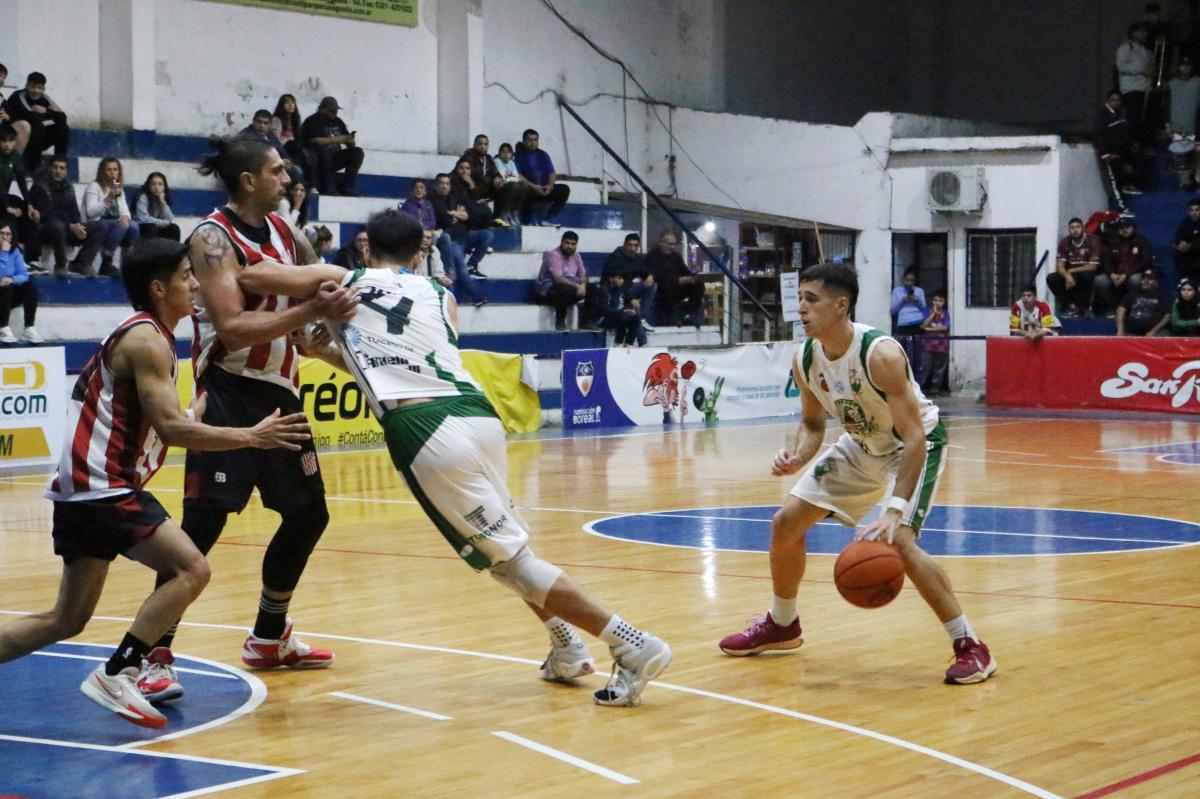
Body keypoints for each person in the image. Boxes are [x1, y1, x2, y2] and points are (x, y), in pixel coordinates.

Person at [297, 209, 671, 706]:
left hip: (428, 430)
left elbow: (262, 276)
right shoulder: (439, 295)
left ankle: (632, 643)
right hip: (476, 414)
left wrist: (306, 301)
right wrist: (326, 354)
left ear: (366, 249)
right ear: (418, 254)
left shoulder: (351, 286)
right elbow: (404, 369)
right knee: (509, 555)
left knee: (511, 561)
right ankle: (566, 647)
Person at [0, 238, 310, 729]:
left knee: (66, 619)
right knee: (192, 569)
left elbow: (155, 419)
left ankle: (121, 669)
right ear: (159, 287)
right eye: (187, 276)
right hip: (104, 486)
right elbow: (172, 430)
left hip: (85, 489)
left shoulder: (148, 336)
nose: (195, 285)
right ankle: (119, 671)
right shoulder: (146, 340)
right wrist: (252, 436)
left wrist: (190, 414)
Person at [138, 137, 358, 704]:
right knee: (204, 523)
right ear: (248, 181)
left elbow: (313, 302)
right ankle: (152, 653)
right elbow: (233, 329)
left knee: (308, 514)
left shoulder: (287, 232)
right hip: (229, 389)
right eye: (276, 170)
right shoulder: (211, 237)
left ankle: (268, 635)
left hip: (281, 391)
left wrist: (333, 333)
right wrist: (313, 306)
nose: (287, 178)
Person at [717, 263, 996, 685]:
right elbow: (813, 424)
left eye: (812, 299)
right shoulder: (805, 358)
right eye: (801, 299)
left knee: (898, 540)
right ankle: (783, 624)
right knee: (786, 523)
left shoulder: (880, 355)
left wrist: (894, 510)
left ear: (841, 305)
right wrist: (797, 456)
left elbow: (915, 437)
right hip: (862, 444)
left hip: (912, 445)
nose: (801, 308)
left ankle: (970, 645)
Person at [29, 155, 105, 277]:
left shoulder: (69, 188)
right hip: (47, 229)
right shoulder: (39, 187)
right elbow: (46, 215)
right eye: (55, 167)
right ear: (49, 168)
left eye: (62, 168)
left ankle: (81, 263)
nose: (58, 171)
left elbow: (74, 213)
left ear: (66, 171)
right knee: (57, 226)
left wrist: (77, 225)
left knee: (100, 227)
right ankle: (60, 265)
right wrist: (70, 225)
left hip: (67, 228)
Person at [430, 172, 488, 301]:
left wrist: (454, 213)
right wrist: (457, 214)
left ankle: (472, 264)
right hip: (450, 239)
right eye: (441, 183)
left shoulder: (453, 197)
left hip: (463, 235)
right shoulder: (432, 199)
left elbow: (467, 216)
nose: (445, 186)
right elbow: (444, 219)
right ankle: (475, 298)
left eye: (447, 183)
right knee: (460, 268)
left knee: (487, 234)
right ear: (435, 185)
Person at [82, 157, 139, 278]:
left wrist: (125, 216)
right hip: (97, 224)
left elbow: (125, 209)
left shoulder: (118, 188)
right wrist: (108, 198)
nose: (112, 173)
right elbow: (90, 212)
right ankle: (106, 262)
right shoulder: (94, 187)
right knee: (120, 225)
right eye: (109, 170)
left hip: (114, 225)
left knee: (134, 227)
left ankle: (127, 263)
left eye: (115, 169)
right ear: (102, 171)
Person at [3, 71, 70, 171]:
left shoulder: (45, 98)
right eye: (32, 87)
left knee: (63, 129)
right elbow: (32, 117)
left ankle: (59, 163)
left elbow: (63, 117)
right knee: (35, 126)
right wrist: (49, 115)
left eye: (39, 88)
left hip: (36, 138)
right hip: (14, 138)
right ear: (26, 86)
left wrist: (46, 111)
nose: (36, 91)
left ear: (44, 89)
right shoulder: (19, 96)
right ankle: (31, 167)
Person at [299, 96, 363, 196]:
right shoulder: (312, 121)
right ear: (322, 110)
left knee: (357, 152)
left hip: (335, 157)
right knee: (324, 151)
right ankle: (327, 187)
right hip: (317, 159)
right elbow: (313, 141)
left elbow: (348, 140)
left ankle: (347, 187)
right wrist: (337, 140)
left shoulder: (338, 121)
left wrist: (350, 140)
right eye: (332, 111)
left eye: (336, 110)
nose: (335, 113)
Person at [536, 230, 592, 331]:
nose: (570, 246)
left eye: (573, 244)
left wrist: (583, 286)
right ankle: (560, 322)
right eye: (567, 243)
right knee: (563, 288)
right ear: (561, 242)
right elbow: (558, 278)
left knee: (593, 288)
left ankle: (586, 322)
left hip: (569, 287)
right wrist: (577, 286)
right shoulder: (553, 255)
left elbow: (583, 274)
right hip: (547, 290)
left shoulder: (576, 255)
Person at [1047, 217, 1102, 317]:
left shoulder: (1092, 240)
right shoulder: (1065, 242)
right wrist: (1067, 275)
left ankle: (1085, 309)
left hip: (1086, 271)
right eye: (1072, 228)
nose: (1075, 230)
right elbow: (1060, 265)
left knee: (1086, 276)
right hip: (1071, 273)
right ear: (1069, 230)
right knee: (1051, 278)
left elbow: (1092, 266)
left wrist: (1071, 271)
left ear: (1083, 228)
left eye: (1077, 227)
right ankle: (1069, 306)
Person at [646, 231, 704, 325]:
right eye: (670, 244)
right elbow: (657, 276)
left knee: (699, 284)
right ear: (661, 243)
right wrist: (677, 280)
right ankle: (672, 317)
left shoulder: (676, 256)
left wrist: (692, 277)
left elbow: (684, 271)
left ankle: (689, 313)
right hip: (661, 288)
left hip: (677, 287)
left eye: (674, 244)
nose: (672, 247)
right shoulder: (652, 256)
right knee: (666, 286)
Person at [1095, 218, 1152, 315]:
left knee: (1135, 280)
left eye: (1127, 227)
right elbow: (1105, 261)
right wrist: (1111, 274)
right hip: (1115, 274)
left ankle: (1131, 308)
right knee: (1100, 280)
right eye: (1121, 228)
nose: (1125, 230)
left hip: (1133, 273)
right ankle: (1112, 308)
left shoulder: (1141, 241)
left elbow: (1145, 261)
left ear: (1133, 228)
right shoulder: (1112, 242)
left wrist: (1126, 275)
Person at [514, 129, 570, 226]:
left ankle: (549, 219)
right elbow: (519, 176)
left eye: (535, 140)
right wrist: (535, 187)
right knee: (522, 189)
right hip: (530, 191)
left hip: (544, 190)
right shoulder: (518, 156)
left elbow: (552, 173)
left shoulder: (543, 155)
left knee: (564, 189)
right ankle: (524, 220)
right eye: (530, 140)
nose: (533, 143)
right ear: (524, 141)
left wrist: (550, 186)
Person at [236, 109, 304, 186]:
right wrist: (277, 163)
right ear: (253, 121)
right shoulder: (245, 136)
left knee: (296, 171)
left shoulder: (270, 135)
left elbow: (283, 153)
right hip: (257, 170)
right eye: (259, 122)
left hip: (274, 167)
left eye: (265, 123)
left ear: (270, 125)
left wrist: (287, 162)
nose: (262, 126)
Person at [604, 232, 657, 328]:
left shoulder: (637, 258)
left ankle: (642, 318)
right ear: (624, 245)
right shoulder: (615, 257)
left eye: (635, 246)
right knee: (620, 289)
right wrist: (631, 299)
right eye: (630, 245)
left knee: (652, 284)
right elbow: (618, 284)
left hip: (629, 288)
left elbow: (645, 272)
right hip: (614, 291)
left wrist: (650, 275)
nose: (632, 248)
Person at [0, 220, 40, 343]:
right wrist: (4, 253)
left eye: (8, 234)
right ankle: (3, 328)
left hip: (8, 294)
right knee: (5, 286)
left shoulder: (15, 251)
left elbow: (24, 274)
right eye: (2, 233)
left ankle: (29, 328)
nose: (5, 237)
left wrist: (12, 279)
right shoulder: (6, 251)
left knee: (30, 286)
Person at [596, 272, 646, 347]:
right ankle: (618, 343)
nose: (622, 280)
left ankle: (629, 343)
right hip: (603, 318)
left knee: (636, 316)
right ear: (611, 279)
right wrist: (623, 311)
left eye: (622, 278)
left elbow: (627, 299)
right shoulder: (604, 289)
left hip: (618, 315)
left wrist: (630, 309)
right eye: (619, 278)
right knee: (624, 317)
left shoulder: (621, 289)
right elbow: (605, 309)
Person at [1117, 268, 1171, 336]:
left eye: (1150, 279)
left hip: (1155, 333)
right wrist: (1120, 328)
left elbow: (1167, 316)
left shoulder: (1163, 296)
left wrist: (1153, 331)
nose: (1145, 281)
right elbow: (1121, 309)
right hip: (1132, 332)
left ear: (1157, 282)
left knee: (1164, 335)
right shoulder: (1134, 293)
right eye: (1143, 278)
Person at [917, 289, 949, 395]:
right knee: (925, 367)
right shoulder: (927, 311)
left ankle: (935, 389)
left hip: (941, 345)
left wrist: (930, 329)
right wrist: (933, 314)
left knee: (938, 368)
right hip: (927, 345)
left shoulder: (946, 313)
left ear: (944, 302)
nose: (937, 303)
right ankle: (921, 389)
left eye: (940, 301)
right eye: (935, 300)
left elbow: (945, 327)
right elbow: (923, 325)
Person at [133, 172, 181, 241]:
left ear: (164, 187)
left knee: (174, 228)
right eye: (153, 184)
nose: (157, 187)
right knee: (151, 227)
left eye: (160, 184)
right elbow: (143, 219)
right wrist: (163, 223)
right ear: (148, 186)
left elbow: (169, 219)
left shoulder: (163, 197)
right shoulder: (143, 197)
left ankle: (173, 248)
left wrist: (163, 203)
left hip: (156, 226)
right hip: (142, 227)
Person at [492, 142, 528, 227]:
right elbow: (503, 177)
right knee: (514, 185)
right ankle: (505, 212)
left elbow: (515, 176)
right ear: (499, 153)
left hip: (510, 185)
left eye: (508, 152)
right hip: (499, 187)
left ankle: (515, 212)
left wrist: (516, 179)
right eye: (503, 151)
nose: (506, 154)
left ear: (511, 154)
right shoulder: (496, 161)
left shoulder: (512, 162)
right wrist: (514, 179)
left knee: (524, 185)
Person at [1174, 198, 1200, 284]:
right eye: (1191, 210)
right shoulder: (1185, 223)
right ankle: (1184, 277)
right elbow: (1178, 236)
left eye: (1197, 210)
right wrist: (1181, 243)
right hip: (1189, 253)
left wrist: (1191, 246)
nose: (1194, 212)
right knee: (1177, 251)